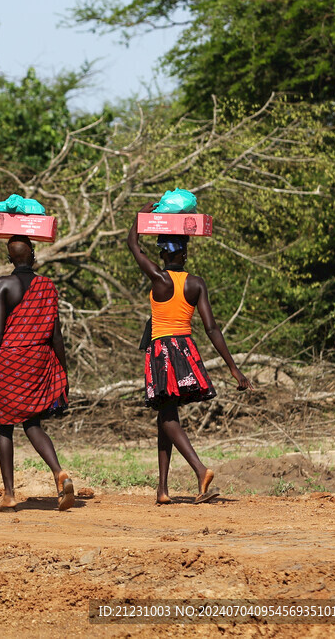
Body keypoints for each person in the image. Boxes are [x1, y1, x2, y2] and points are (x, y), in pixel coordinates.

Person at [128, 203, 252, 505]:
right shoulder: (196, 284)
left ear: (163, 254)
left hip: (162, 352)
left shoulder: (159, 279)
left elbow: (132, 244)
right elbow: (212, 329)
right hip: (185, 351)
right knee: (166, 415)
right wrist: (233, 368)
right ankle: (163, 489)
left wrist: (141, 217)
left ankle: (200, 470)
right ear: (184, 253)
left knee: (168, 415)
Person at [0, 235, 74, 512]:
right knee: (32, 423)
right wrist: (63, 368)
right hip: (38, 360)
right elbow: (56, 334)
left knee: (5, 426)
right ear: (33, 256)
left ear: (10, 259)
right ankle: (59, 472)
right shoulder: (47, 285)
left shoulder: (3, 284)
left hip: (9, 362)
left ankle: (9, 495)